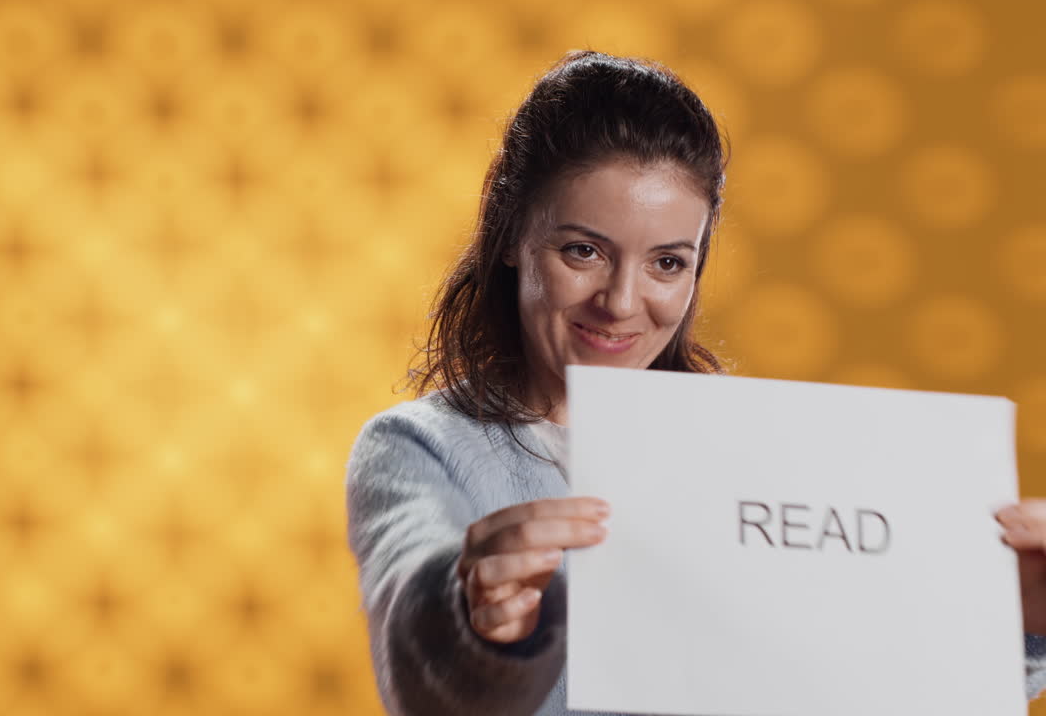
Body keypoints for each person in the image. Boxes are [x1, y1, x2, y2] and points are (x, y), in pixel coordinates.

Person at [345, 49, 1046, 716]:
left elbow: (855, 681)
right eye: (582, 251)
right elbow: (419, 652)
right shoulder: (418, 448)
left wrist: (1010, 619)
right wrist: (478, 622)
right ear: (510, 237)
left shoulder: (764, 456)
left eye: (667, 263)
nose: (621, 301)